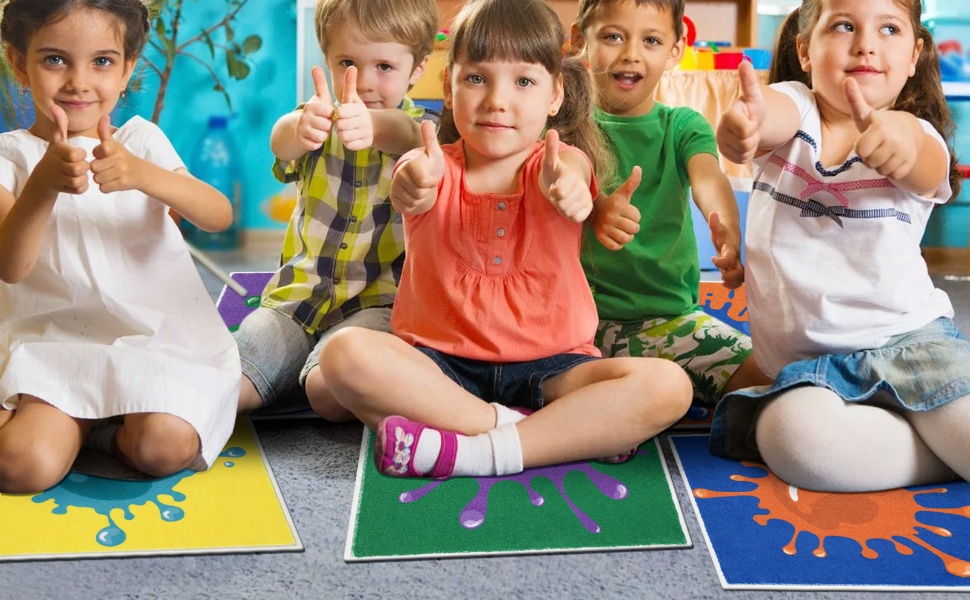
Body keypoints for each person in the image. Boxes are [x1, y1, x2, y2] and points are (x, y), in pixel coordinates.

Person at [319, 0, 692, 480]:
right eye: (477, 78)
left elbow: (569, 172)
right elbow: (413, 180)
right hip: (439, 367)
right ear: (449, 87)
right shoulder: (431, 164)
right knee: (343, 353)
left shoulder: (560, 164)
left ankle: (469, 449)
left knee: (669, 385)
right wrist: (415, 183)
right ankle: (537, 433)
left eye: (524, 82)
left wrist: (571, 189)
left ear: (555, 95)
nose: (497, 100)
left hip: (555, 370)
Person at [713, 0, 970, 492]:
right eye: (844, 26)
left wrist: (900, 142)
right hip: (809, 373)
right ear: (805, 51)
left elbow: (923, 160)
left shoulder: (917, 132)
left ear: (913, 56)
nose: (866, 44)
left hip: (910, 346)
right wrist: (743, 124)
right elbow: (769, 113)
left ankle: (937, 437)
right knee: (791, 438)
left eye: (888, 29)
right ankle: (935, 452)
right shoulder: (796, 108)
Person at [0, 0, 240, 493]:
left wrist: (143, 174)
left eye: (102, 61)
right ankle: (77, 421)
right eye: (55, 59)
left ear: (128, 68)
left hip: (152, 340)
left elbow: (217, 215)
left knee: (164, 448)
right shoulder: (10, 156)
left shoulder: (140, 139)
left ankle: (105, 435)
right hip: (52, 345)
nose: (79, 82)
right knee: (21, 468)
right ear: (19, 63)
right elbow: (11, 266)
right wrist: (42, 185)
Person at [233, 0, 439, 419]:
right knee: (232, 382)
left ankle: (302, 378)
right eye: (347, 63)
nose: (362, 83)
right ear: (327, 58)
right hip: (296, 300)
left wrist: (373, 125)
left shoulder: (424, 133)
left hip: (378, 308)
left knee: (325, 390)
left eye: (384, 66)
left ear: (417, 69)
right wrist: (299, 128)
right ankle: (282, 374)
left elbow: (408, 134)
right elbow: (281, 142)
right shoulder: (317, 119)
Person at [569, 0, 771, 406]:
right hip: (571, 330)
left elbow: (709, 178)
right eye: (613, 36)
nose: (631, 53)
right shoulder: (563, 124)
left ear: (675, 50)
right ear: (580, 40)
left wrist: (727, 232)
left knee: (770, 381)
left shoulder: (683, 126)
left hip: (668, 323)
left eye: (651, 41)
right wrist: (594, 209)